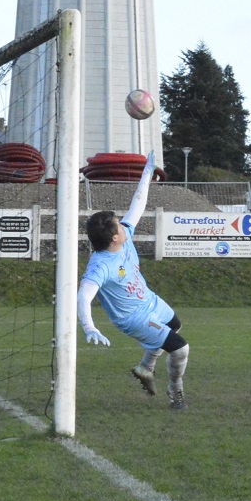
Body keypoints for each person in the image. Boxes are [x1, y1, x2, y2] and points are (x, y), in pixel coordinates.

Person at [77, 152, 190, 410]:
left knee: (175, 325)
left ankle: (146, 367)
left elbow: (137, 205)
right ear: (114, 238)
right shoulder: (101, 266)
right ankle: (176, 392)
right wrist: (89, 327)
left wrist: (147, 173)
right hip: (133, 317)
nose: (124, 225)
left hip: (148, 300)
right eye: (119, 226)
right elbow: (83, 295)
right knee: (180, 349)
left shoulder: (122, 237)